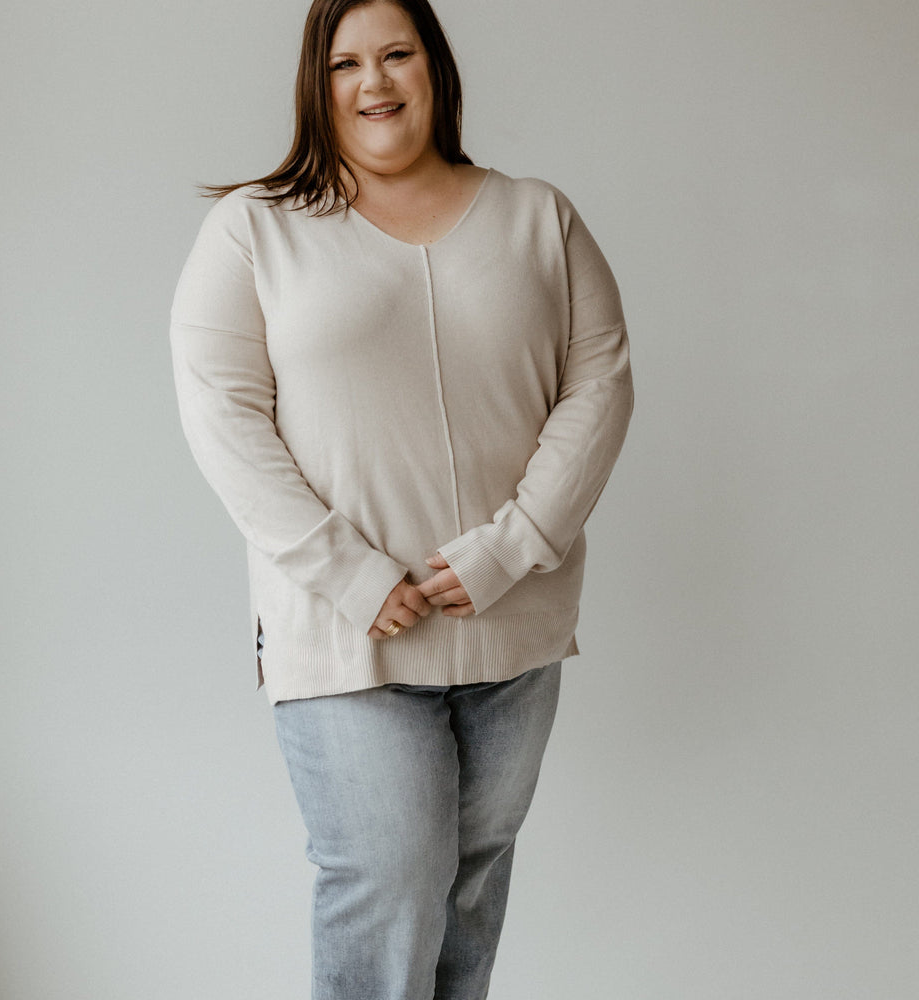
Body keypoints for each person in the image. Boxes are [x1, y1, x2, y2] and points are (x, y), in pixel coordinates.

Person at [169, 0, 633, 996]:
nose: (374, 82)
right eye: (345, 64)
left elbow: (598, 384)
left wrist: (512, 547)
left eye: (395, 55)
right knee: (388, 884)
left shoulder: (536, 216)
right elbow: (223, 417)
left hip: (513, 629)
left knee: (465, 895)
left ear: (435, 67)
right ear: (316, 82)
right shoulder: (255, 229)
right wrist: (347, 570)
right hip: (345, 632)